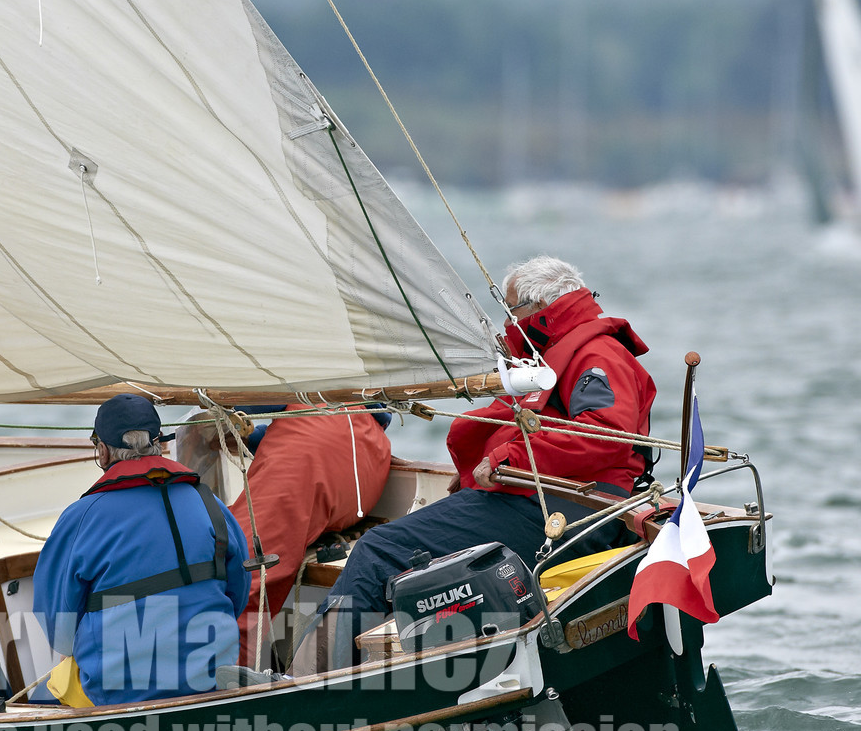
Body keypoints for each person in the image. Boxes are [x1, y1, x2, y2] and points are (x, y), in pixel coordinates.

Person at [302, 256, 657, 672]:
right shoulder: (565, 351)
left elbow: (603, 434)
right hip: (544, 499)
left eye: (511, 312)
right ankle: (366, 672)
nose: (507, 324)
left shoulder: (597, 353)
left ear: (537, 308)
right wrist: (484, 466)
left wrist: (510, 457)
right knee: (396, 553)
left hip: (567, 507)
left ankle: (309, 679)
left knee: (378, 550)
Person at [34, 393, 250, 705]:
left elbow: (60, 634)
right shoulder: (208, 503)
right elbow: (237, 595)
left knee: (42, 697)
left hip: (118, 696)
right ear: (160, 443)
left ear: (103, 451)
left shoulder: (80, 518)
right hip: (212, 684)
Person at [228, 404, 393, 666]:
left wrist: (217, 405)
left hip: (312, 445)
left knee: (238, 579)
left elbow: (254, 396)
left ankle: (219, 687)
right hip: (370, 451)